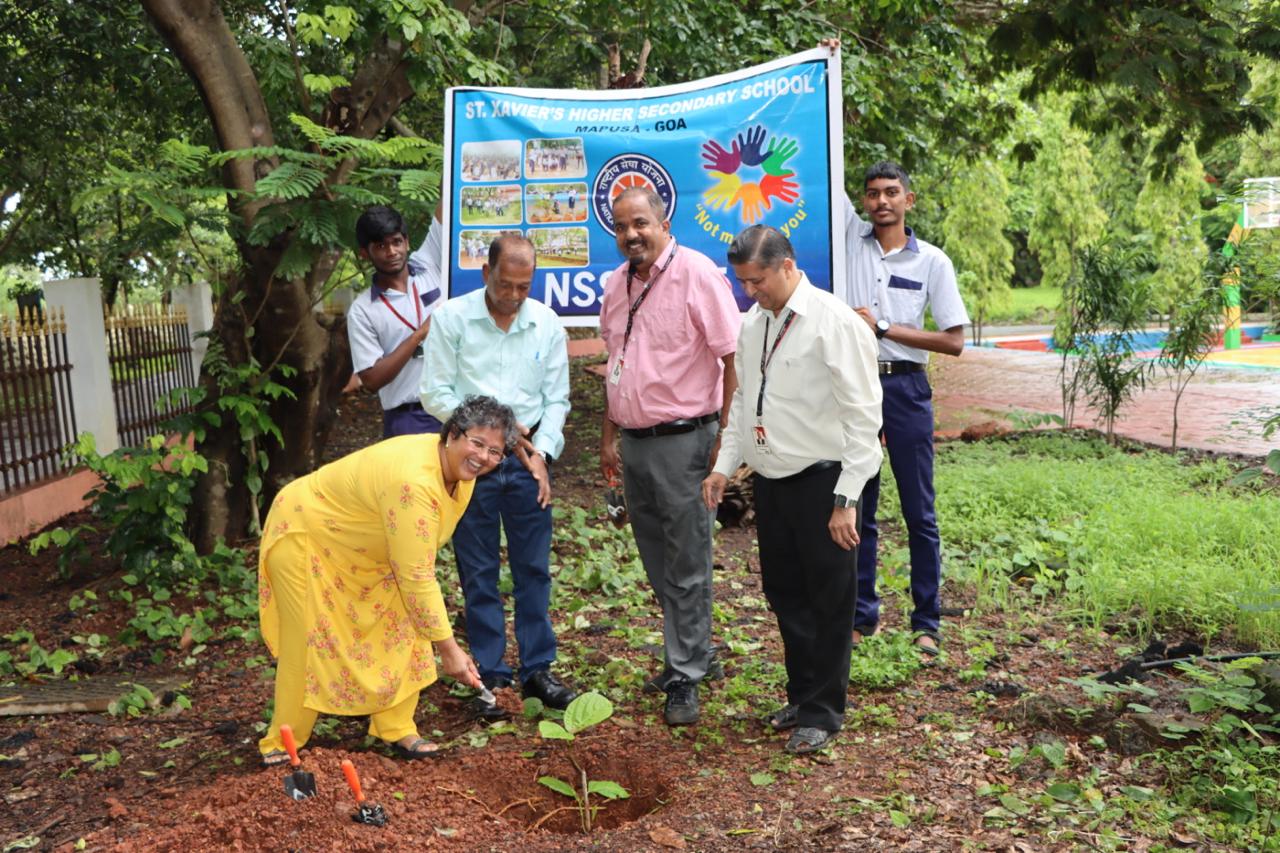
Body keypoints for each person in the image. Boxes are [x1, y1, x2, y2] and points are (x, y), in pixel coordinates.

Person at [256, 395, 517, 764]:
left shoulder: (462, 473)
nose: (484, 457)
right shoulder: (414, 481)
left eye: (496, 451)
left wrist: (440, 636)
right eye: (477, 442)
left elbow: (415, 560)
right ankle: (282, 742)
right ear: (453, 434)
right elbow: (416, 575)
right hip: (307, 536)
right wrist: (450, 652)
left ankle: (394, 726)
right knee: (308, 640)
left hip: (365, 551)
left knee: (404, 620)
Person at [702, 225, 881, 753]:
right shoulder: (754, 323)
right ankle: (803, 695)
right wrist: (724, 466)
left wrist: (847, 498)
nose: (749, 291)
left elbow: (864, 420)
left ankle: (825, 712)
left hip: (825, 481)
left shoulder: (834, 323)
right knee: (785, 593)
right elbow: (741, 405)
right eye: (742, 282)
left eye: (757, 280)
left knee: (829, 598)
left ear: (786, 266)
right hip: (772, 483)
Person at [598, 186, 740, 726]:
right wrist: (609, 437)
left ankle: (685, 674)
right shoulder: (617, 284)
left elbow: (732, 359)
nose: (631, 234)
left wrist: (726, 440)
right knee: (658, 559)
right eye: (621, 226)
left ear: (663, 221)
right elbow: (617, 360)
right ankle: (694, 649)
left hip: (686, 441)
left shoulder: (697, 274)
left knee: (687, 563)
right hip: (634, 443)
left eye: (640, 223)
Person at [422, 235, 578, 713]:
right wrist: (494, 435)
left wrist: (542, 455)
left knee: (533, 570)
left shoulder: (546, 323)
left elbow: (557, 401)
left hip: (529, 466)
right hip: (471, 464)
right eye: (505, 284)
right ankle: (489, 675)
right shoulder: (452, 319)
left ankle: (537, 671)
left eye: (523, 287)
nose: (513, 295)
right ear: (485, 272)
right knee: (479, 572)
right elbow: (435, 393)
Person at [841, 161, 969, 657]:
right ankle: (861, 616)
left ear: (908, 200)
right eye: (873, 194)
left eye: (892, 192)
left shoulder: (933, 262)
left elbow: (953, 342)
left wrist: (885, 327)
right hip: (855, 389)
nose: (882, 202)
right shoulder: (851, 244)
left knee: (920, 511)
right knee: (859, 505)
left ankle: (926, 621)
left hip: (907, 389)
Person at [346, 205, 444, 438]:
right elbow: (371, 380)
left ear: (407, 242)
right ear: (364, 253)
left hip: (454, 411)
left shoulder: (430, 263)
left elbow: (446, 201)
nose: (392, 252)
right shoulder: (362, 310)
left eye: (396, 242)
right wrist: (419, 335)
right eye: (381, 246)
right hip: (408, 418)